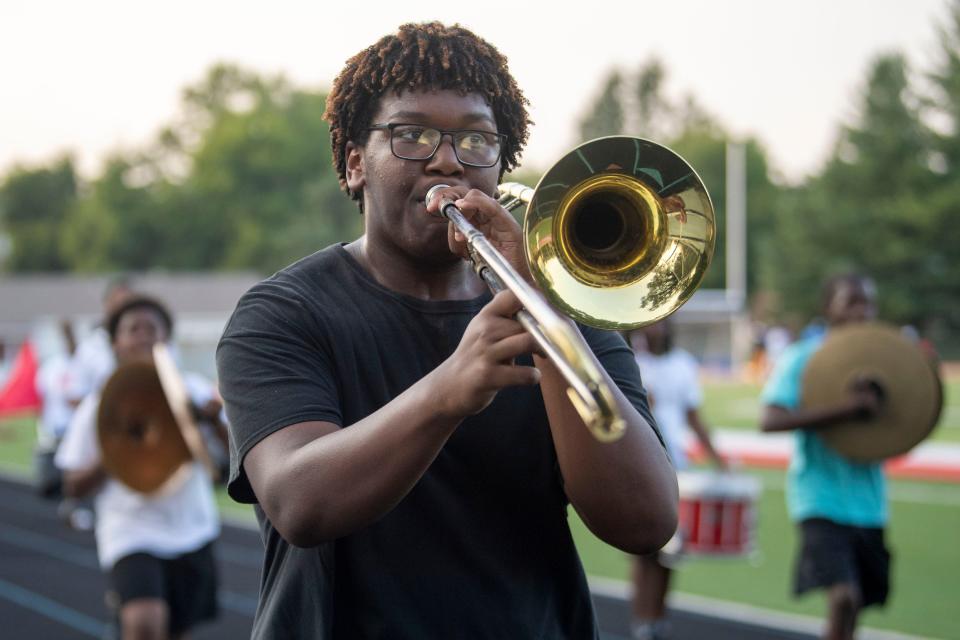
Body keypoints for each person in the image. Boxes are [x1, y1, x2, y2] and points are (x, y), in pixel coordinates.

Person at [216, 22, 678, 639]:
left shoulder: (561, 316)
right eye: (411, 135)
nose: (446, 159)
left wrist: (546, 316)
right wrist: (449, 391)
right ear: (355, 164)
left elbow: (645, 522)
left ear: (500, 167)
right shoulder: (282, 314)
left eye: (476, 140)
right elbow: (301, 503)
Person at [55, 295, 223, 640]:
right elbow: (72, 484)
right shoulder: (100, 403)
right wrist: (116, 450)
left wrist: (208, 420)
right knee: (144, 625)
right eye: (133, 329)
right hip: (132, 531)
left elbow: (226, 461)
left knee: (179, 631)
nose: (144, 336)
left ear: (167, 339)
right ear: (116, 343)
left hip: (191, 528)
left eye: (153, 329)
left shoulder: (191, 389)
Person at [760, 274, 890, 640]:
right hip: (819, 498)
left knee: (857, 602)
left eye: (868, 302)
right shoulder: (803, 358)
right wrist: (847, 409)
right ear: (828, 308)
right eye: (852, 302)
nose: (862, 311)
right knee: (843, 596)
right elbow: (770, 419)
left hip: (870, 504)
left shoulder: (887, 362)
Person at [627, 320, 727, 640]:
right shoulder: (632, 361)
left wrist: (717, 459)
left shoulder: (683, 363)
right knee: (645, 549)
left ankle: (657, 619)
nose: (656, 330)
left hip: (676, 464)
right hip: (642, 463)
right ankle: (641, 619)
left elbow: (693, 416)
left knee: (673, 549)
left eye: (662, 324)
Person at [71, 275, 136, 401]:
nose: (122, 311)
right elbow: (76, 395)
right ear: (106, 305)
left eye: (128, 305)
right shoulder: (89, 348)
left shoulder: (150, 344)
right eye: (117, 304)